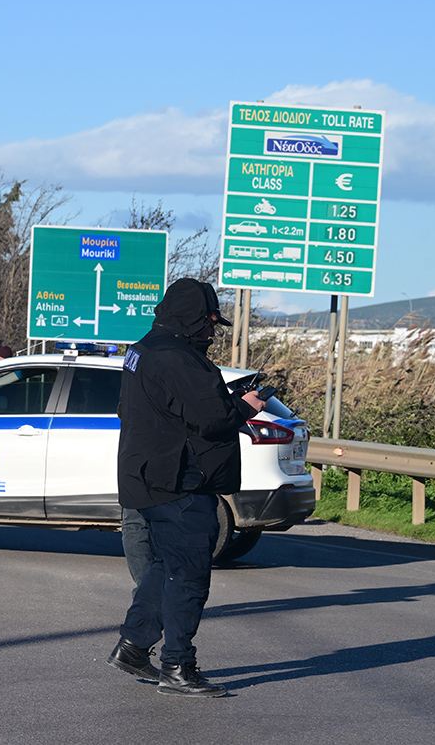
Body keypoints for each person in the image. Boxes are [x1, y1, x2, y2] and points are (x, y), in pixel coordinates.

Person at [106, 278, 263, 698]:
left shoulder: (145, 348)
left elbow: (180, 407)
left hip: (151, 477)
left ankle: (134, 645)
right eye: (211, 322)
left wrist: (225, 396)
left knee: (166, 565)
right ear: (193, 317)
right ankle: (177, 666)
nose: (213, 331)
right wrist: (244, 406)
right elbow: (211, 419)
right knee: (189, 574)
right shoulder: (179, 358)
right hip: (179, 481)